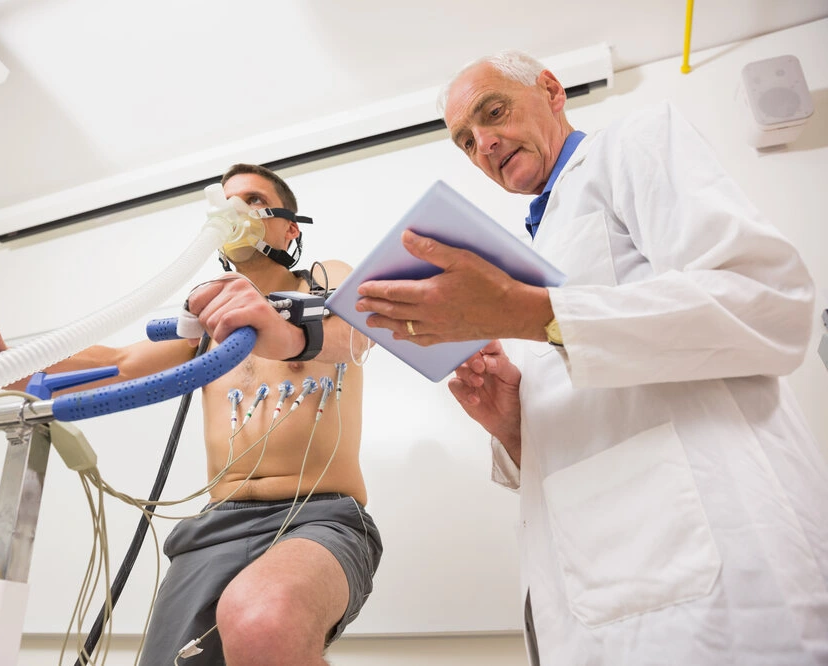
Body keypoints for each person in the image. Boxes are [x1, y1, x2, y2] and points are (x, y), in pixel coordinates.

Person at [354, 51, 828, 665]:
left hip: (718, 578)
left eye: (493, 112)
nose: (485, 144)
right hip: (594, 584)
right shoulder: (524, 253)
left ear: (551, 90)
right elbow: (603, 388)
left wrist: (530, 313)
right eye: (466, 142)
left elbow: (767, 302)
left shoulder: (631, 143)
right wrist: (514, 425)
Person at [0, 163, 382, 666]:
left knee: (264, 619)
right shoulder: (208, 321)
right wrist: (2, 362)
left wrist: (286, 329)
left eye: (251, 200)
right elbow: (119, 365)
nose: (232, 210)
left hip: (318, 517)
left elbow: (356, 333)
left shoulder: (325, 280)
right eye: (223, 202)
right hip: (217, 526)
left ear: (290, 226)